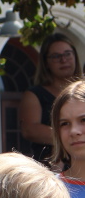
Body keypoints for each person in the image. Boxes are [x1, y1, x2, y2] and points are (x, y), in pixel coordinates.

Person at [19, 31, 81, 162]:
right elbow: (29, 130)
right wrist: (68, 137)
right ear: (45, 62)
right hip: (50, 167)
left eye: (67, 54)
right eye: (56, 56)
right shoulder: (34, 94)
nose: (63, 60)